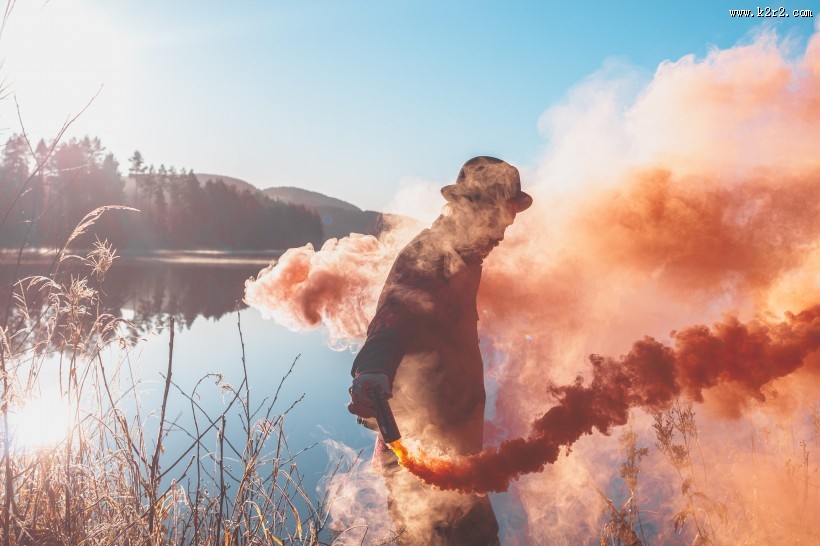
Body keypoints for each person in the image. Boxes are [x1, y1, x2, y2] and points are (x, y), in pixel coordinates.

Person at [347, 156, 532, 545]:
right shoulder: (428, 257)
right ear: (471, 209)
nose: (503, 233)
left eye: (509, 220)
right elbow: (389, 325)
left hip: (457, 453)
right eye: (499, 220)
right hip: (421, 453)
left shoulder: (466, 257)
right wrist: (372, 370)